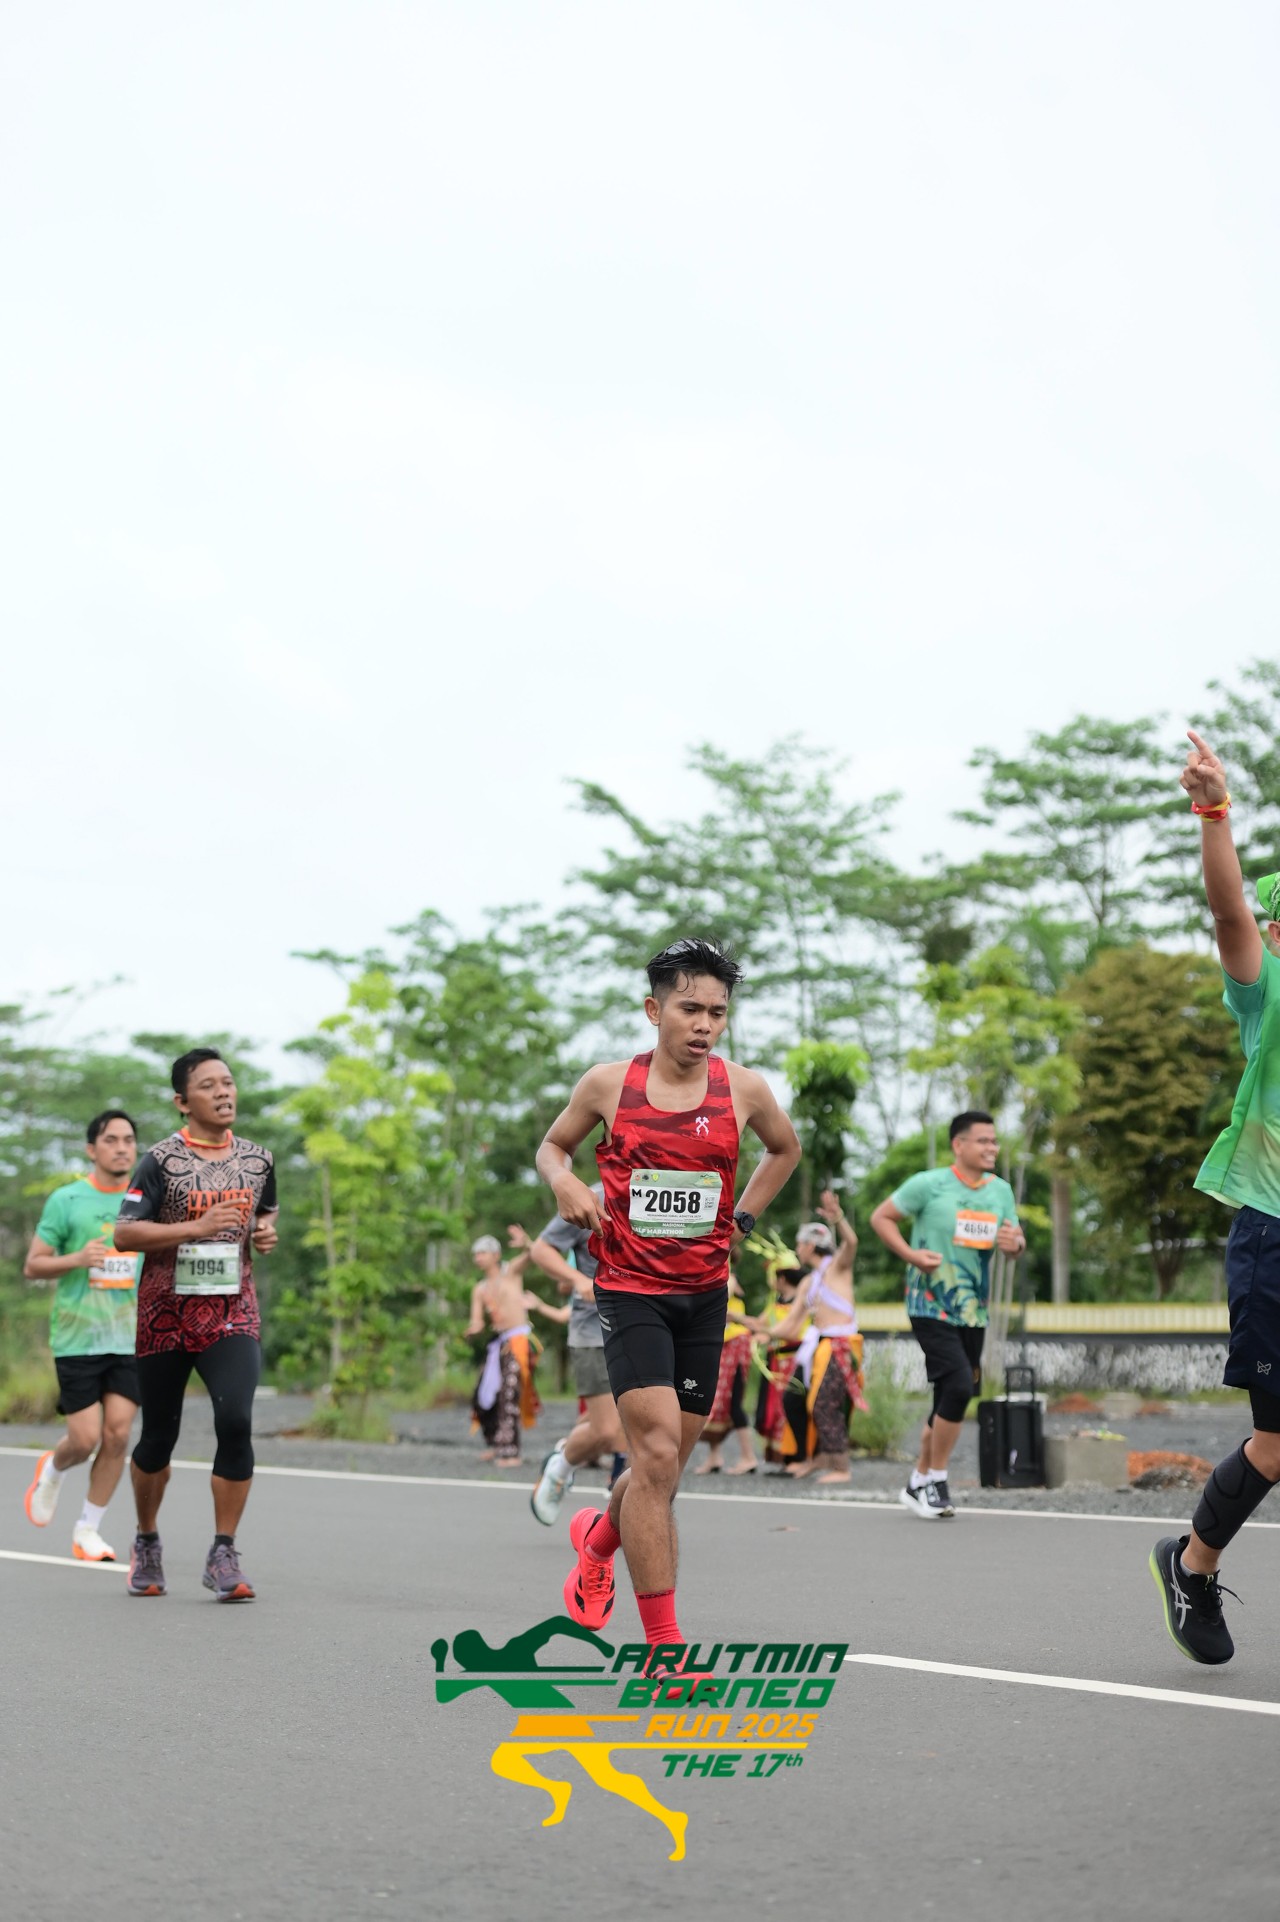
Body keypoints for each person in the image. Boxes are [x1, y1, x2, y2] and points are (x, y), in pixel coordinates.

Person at [535, 938, 801, 1676]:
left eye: (717, 1011)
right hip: (629, 1291)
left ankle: (597, 1543)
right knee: (652, 1457)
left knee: (663, 1473)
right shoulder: (607, 1085)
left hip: (704, 1296)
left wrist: (743, 1218)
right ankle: (665, 1652)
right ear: (654, 1011)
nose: (704, 1024)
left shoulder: (744, 1090)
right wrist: (564, 1181)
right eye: (690, 1009)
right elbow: (552, 1148)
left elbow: (784, 1150)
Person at [1148, 729, 1280, 1664]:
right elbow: (1230, 912)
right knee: (1276, 1448)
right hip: (1274, 1235)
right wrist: (1214, 814)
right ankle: (1191, 1567)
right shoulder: (1267, 994)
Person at [112, 1049, 278, 1601]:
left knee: (236, 1421)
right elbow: (124, 1234)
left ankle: (223, 1551)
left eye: (228, 1082)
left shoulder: (258, 1160)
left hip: (233, 1313)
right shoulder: (160, 1161)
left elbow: (265, 1213)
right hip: (165, 1316)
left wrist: (265, 1234)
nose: (224, 1092)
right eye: (209, 1086)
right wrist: (196, 1227)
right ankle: (146, 1539)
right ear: (183, 1102)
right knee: (159, 1436)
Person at [870, 1114, 1024, 1519]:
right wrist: (911, 1256)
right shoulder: (928, 1184)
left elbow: (1014, 1240)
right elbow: (880, 1217)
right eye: (983, 1141)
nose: (992, 1148)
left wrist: (1015, 1245)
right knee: (958, 1385)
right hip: (929, 1304)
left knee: (948, 1396)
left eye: (994, 1141)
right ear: (959, 1145)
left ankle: (917, 1482)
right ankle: (936, 1480)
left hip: (973, 1310)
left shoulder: (1000, 1190)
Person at [22, 1111, 142, 1561]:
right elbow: (34, 1264)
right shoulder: (67, 1199)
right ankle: (54, 1467)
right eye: (111, 1140)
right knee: (85, 1438)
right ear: (92, 1149)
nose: (121, 1148)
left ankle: (88, 1529)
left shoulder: (144, 1200)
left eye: (128, 1140)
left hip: (130, 1336)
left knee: (118, 1435)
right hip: (77, 1336)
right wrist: (76, 1258)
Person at [528, 1186, 628, 1525]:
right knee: (607, 1432)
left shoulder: (661, 1189)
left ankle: (628, 1508)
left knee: (639, 1421)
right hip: (593, 1330)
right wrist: (577, 1280)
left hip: (644, 1328)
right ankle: (561, 1467)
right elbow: (541, 1249)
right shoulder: (589, 1196)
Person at [767, 1192, 864, 1484]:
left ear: (809, 1245)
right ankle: (814, 1458)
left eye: (799, 1245)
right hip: (817, 1345)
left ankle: (841, 1467)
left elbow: (851, 1242)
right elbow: (790, 1325)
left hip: (839, 1344)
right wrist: (754, 1328)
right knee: (794, 1399)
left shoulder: (837, 1267)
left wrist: (838, 1218)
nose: (797, 1250)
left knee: (825, 1404)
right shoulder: (810, 1281)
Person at [467, 1226, 569, 1467]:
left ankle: (510, 1451)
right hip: (499, 1343)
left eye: (482, 1253)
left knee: (509, 1394)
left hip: (519, 1341)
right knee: (482, 1395)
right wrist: (474, 1328)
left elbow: (533, 1255)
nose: (478, 1258)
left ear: (495, 1255)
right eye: (476, 1254)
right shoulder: (480, 1289)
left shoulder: (511, 1272)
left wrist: (526, 1243)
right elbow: (477, 1320)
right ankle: (495, 1442)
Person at [695, 1271, 759, 1476]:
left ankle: (748, 1456)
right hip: (723, 1343)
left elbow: (720, 1302)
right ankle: (714, 1456)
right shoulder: (721, 1275)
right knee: (716, 1400)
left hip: (734, 1344)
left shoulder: (729, 1277)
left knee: (732, 1400)